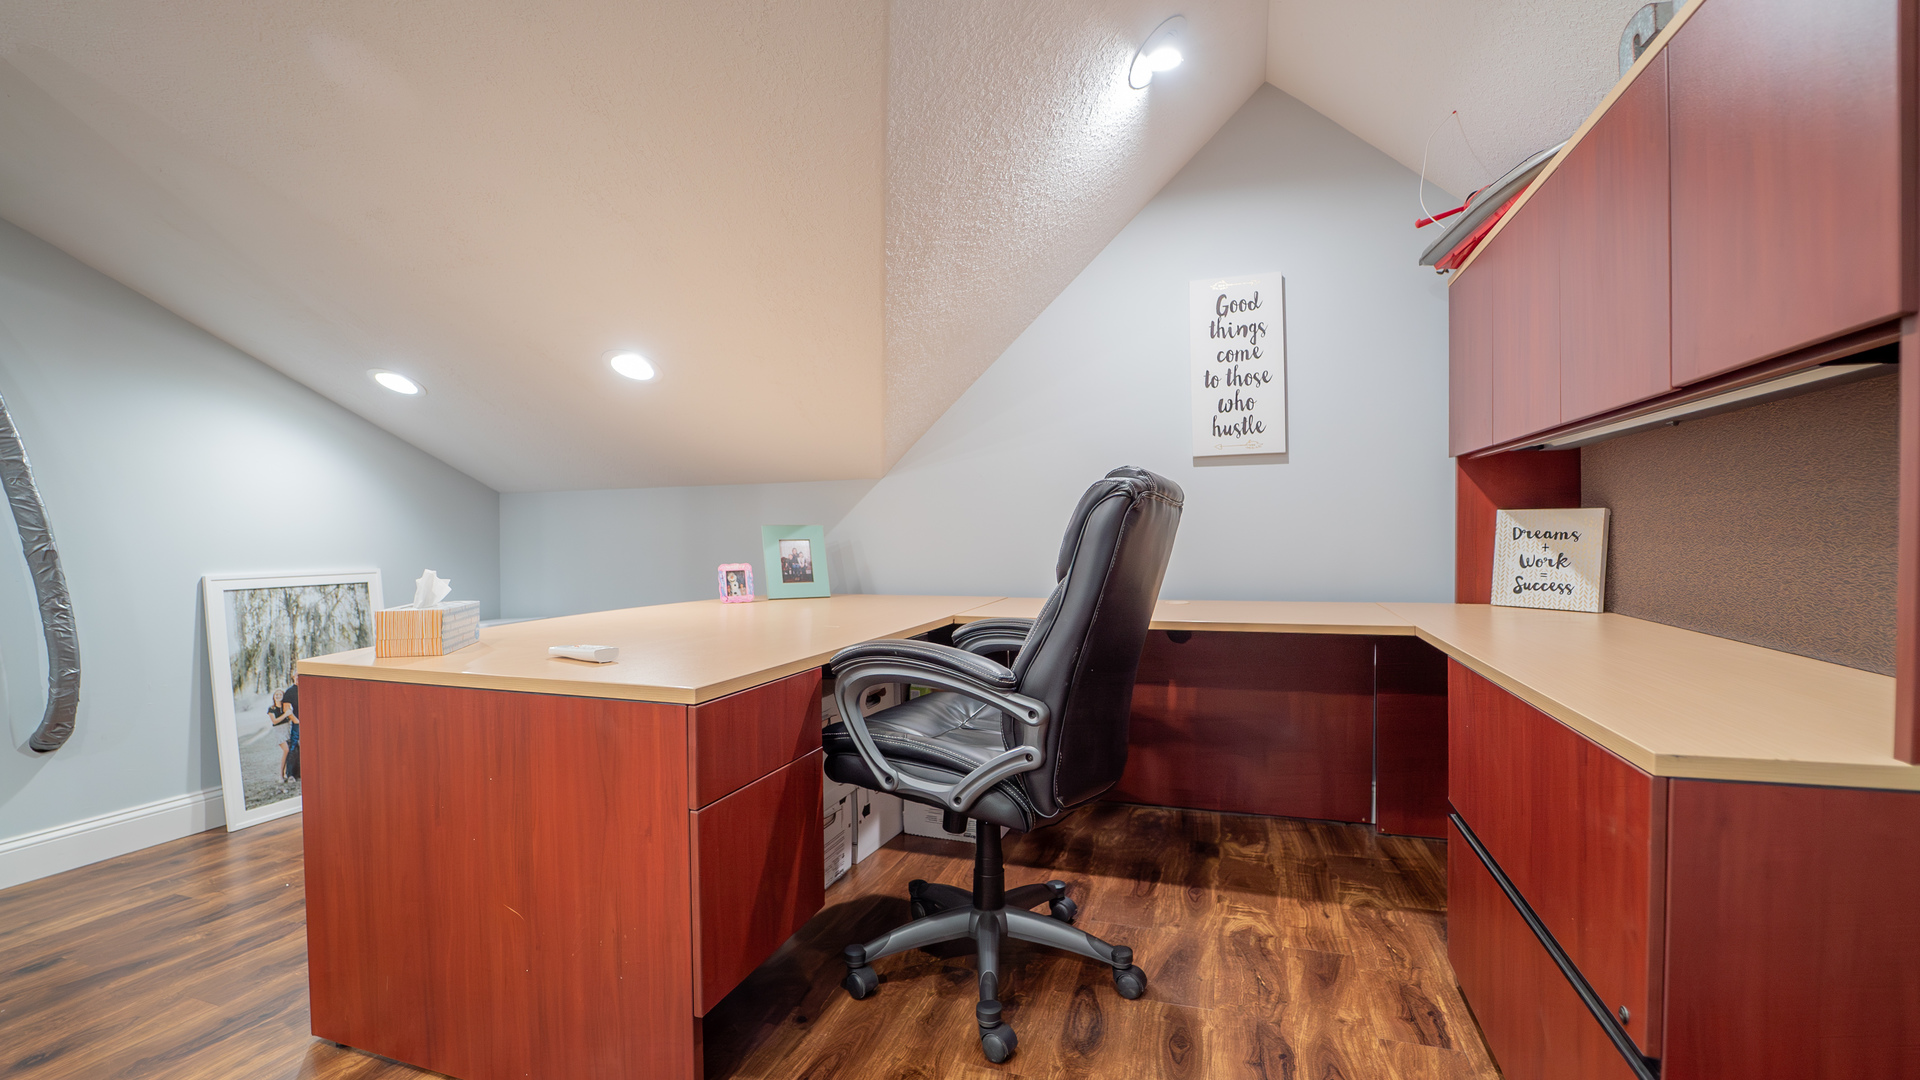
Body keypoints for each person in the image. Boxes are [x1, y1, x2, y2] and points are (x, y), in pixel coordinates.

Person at [268, 681, 300, 783]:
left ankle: (289, 772)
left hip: (287, 731)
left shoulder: (285, 707)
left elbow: (290, 716)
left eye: (280, 694)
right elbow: (275, 721)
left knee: (292, 749)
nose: (278, 696)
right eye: (276, 695)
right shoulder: (272, 709)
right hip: (279, 733)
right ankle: (280, 775)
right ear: (273, 697)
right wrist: (286, 715)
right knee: (286, 750)